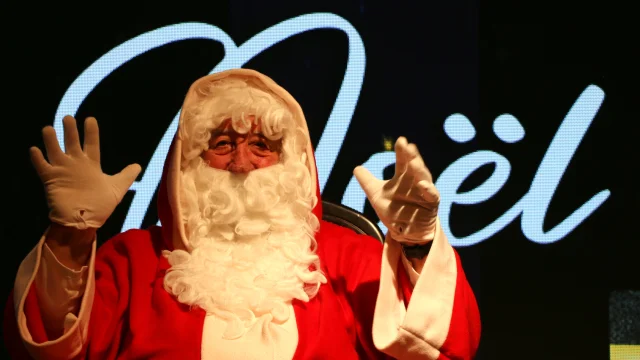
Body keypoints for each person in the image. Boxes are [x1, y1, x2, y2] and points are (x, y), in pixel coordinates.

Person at [4, 69, 481, 359]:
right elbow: (49, 348)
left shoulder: (349, 256)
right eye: (222, 144)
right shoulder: (133, 259)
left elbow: (435, 346)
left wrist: (415, 241)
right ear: (189, 161)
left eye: (262, 146)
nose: (239, 163)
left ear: (291, 163)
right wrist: (71, 235)